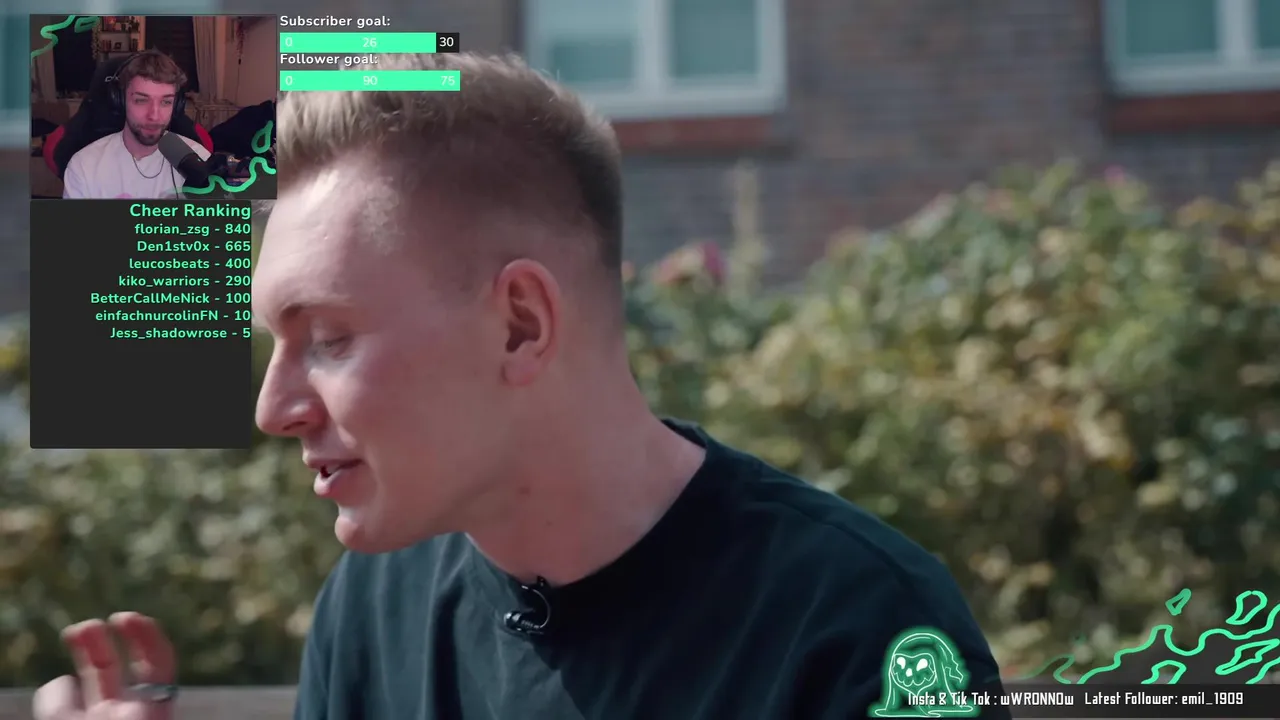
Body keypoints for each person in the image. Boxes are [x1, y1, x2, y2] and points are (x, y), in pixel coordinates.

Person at [33, 53, 1011, 719]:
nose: (272, 407)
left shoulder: (859, 629)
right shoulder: (372, 608)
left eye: (327, 339)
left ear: (521, 325)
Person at [61, 50, 209, 199]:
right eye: (141, 100)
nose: (154, 116)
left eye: (166, 102)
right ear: (120, 100)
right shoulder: (84, 166)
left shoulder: (199, 160)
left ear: (176, 105)